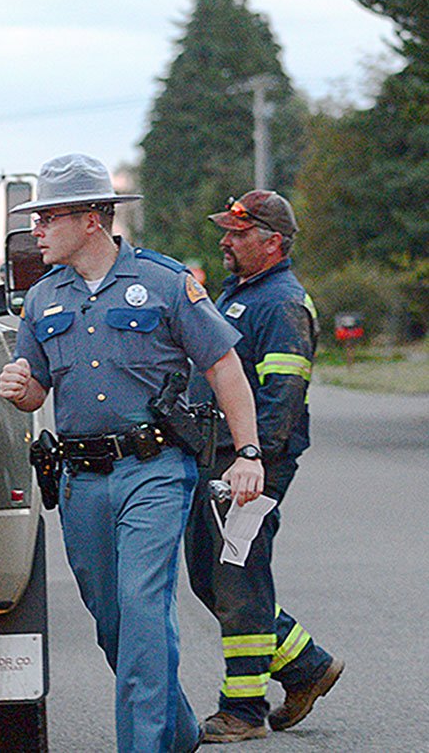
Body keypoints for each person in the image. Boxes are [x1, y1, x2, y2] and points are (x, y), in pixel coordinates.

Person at [0, 154, 264, 753]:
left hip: (156, 471)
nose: (36, 229)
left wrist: (247, 451)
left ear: (92, 219)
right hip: (81, 481)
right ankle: (174, 731)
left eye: (47, 216)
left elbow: (224, 366)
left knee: (144, 611)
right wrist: (21, 391)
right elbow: (37, 387)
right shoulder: (41, 299)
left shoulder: (167, 283)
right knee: (113, 625)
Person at [185, 191, 342, 742]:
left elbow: (283, 394)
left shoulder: (280, 303)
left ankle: (243, 710)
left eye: (238, 233)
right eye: (226, 231)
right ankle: (307, 666)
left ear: (272, 242)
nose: (225, 241)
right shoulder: (244, 294)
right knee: (211, 577)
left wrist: (254, 462)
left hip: (250, 468)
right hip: (223, 460)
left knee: (237, 580)